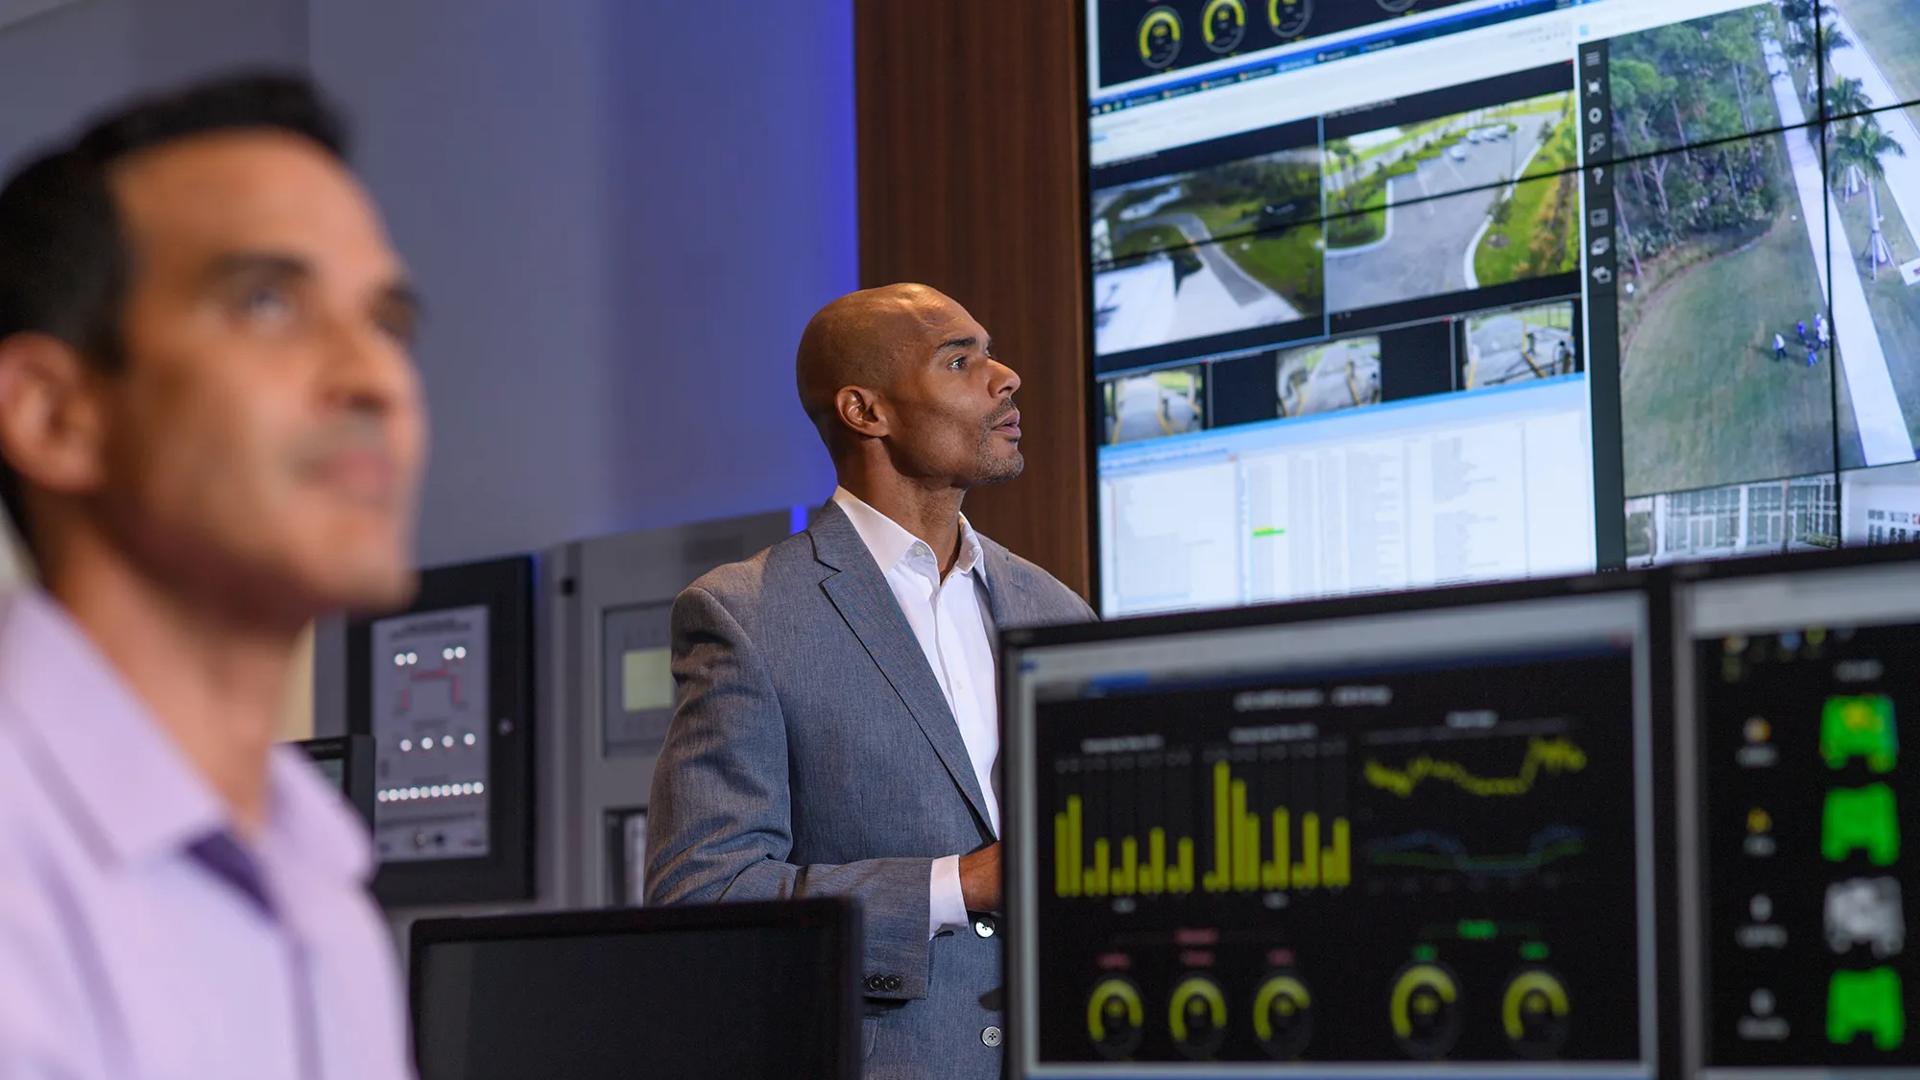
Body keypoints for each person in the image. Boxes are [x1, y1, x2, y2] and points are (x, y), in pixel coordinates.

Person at [0, 74, 424, 1079]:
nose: (374, 378)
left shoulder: (324, 892)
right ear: (55, 416)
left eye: (387, 321)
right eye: (267, 302)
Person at [646, 283, 1094, 1079]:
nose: (1007, 377)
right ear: (866, 411)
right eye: (960, 360)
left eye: (990, 354)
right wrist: (960, 885)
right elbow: (704, 896)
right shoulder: (745, 614)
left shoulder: (1056, 609)